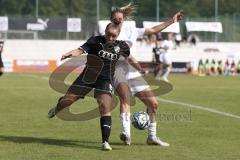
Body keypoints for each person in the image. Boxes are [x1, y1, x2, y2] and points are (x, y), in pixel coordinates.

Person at [108, 3, 183, 146]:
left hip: (133, 72)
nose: (118, 21)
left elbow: (154, 29)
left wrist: (172, 21)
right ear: (112, 19)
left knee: (153, 104)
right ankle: (126, 134)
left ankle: (152, 137)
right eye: (115, 19)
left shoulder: (131, 29)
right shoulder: (109, 33)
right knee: (125, 99)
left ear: (124, 18)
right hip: (118, 71)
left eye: (120, 18)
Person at [48, 23, 130, 151]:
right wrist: (71, 53)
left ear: (118, 34)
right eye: (108, 34)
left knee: (105, 107)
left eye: (114, 36)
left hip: (105, 80)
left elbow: (128, 58)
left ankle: (105, 142)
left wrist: (137, 68)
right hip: (87, 77)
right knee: (66, 102)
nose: (110, 38)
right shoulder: (95, 41)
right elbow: (80, 50)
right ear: (105, 32)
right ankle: (57, 108)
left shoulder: (123, 46)